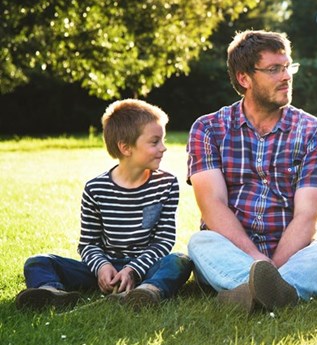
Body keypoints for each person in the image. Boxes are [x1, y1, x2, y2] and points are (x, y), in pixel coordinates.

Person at [186, 30, 317, 314]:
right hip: (232, 252)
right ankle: (280, 291)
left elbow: (308, 215)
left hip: (293, 253)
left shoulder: (314, 132)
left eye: (287, 67)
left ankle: (248, 292)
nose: (286, 76)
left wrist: (274, 266)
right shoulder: (208, 128)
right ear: (244, 78)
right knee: (202, 241)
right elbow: (212, 206)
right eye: (274, 69)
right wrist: (256, 260)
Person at [16, 99, 192, 310]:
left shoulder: (167, 184)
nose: (163, 148)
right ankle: (51, 292)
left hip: (144, 268)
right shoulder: (95, 188)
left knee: (179, 261)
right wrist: (102, 267)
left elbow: (163, 240)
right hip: (104, 269)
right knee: (38, 261)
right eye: (155, 142)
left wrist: (132, 270)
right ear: (126, 147)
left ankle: (147, 291)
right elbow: (88, 243)